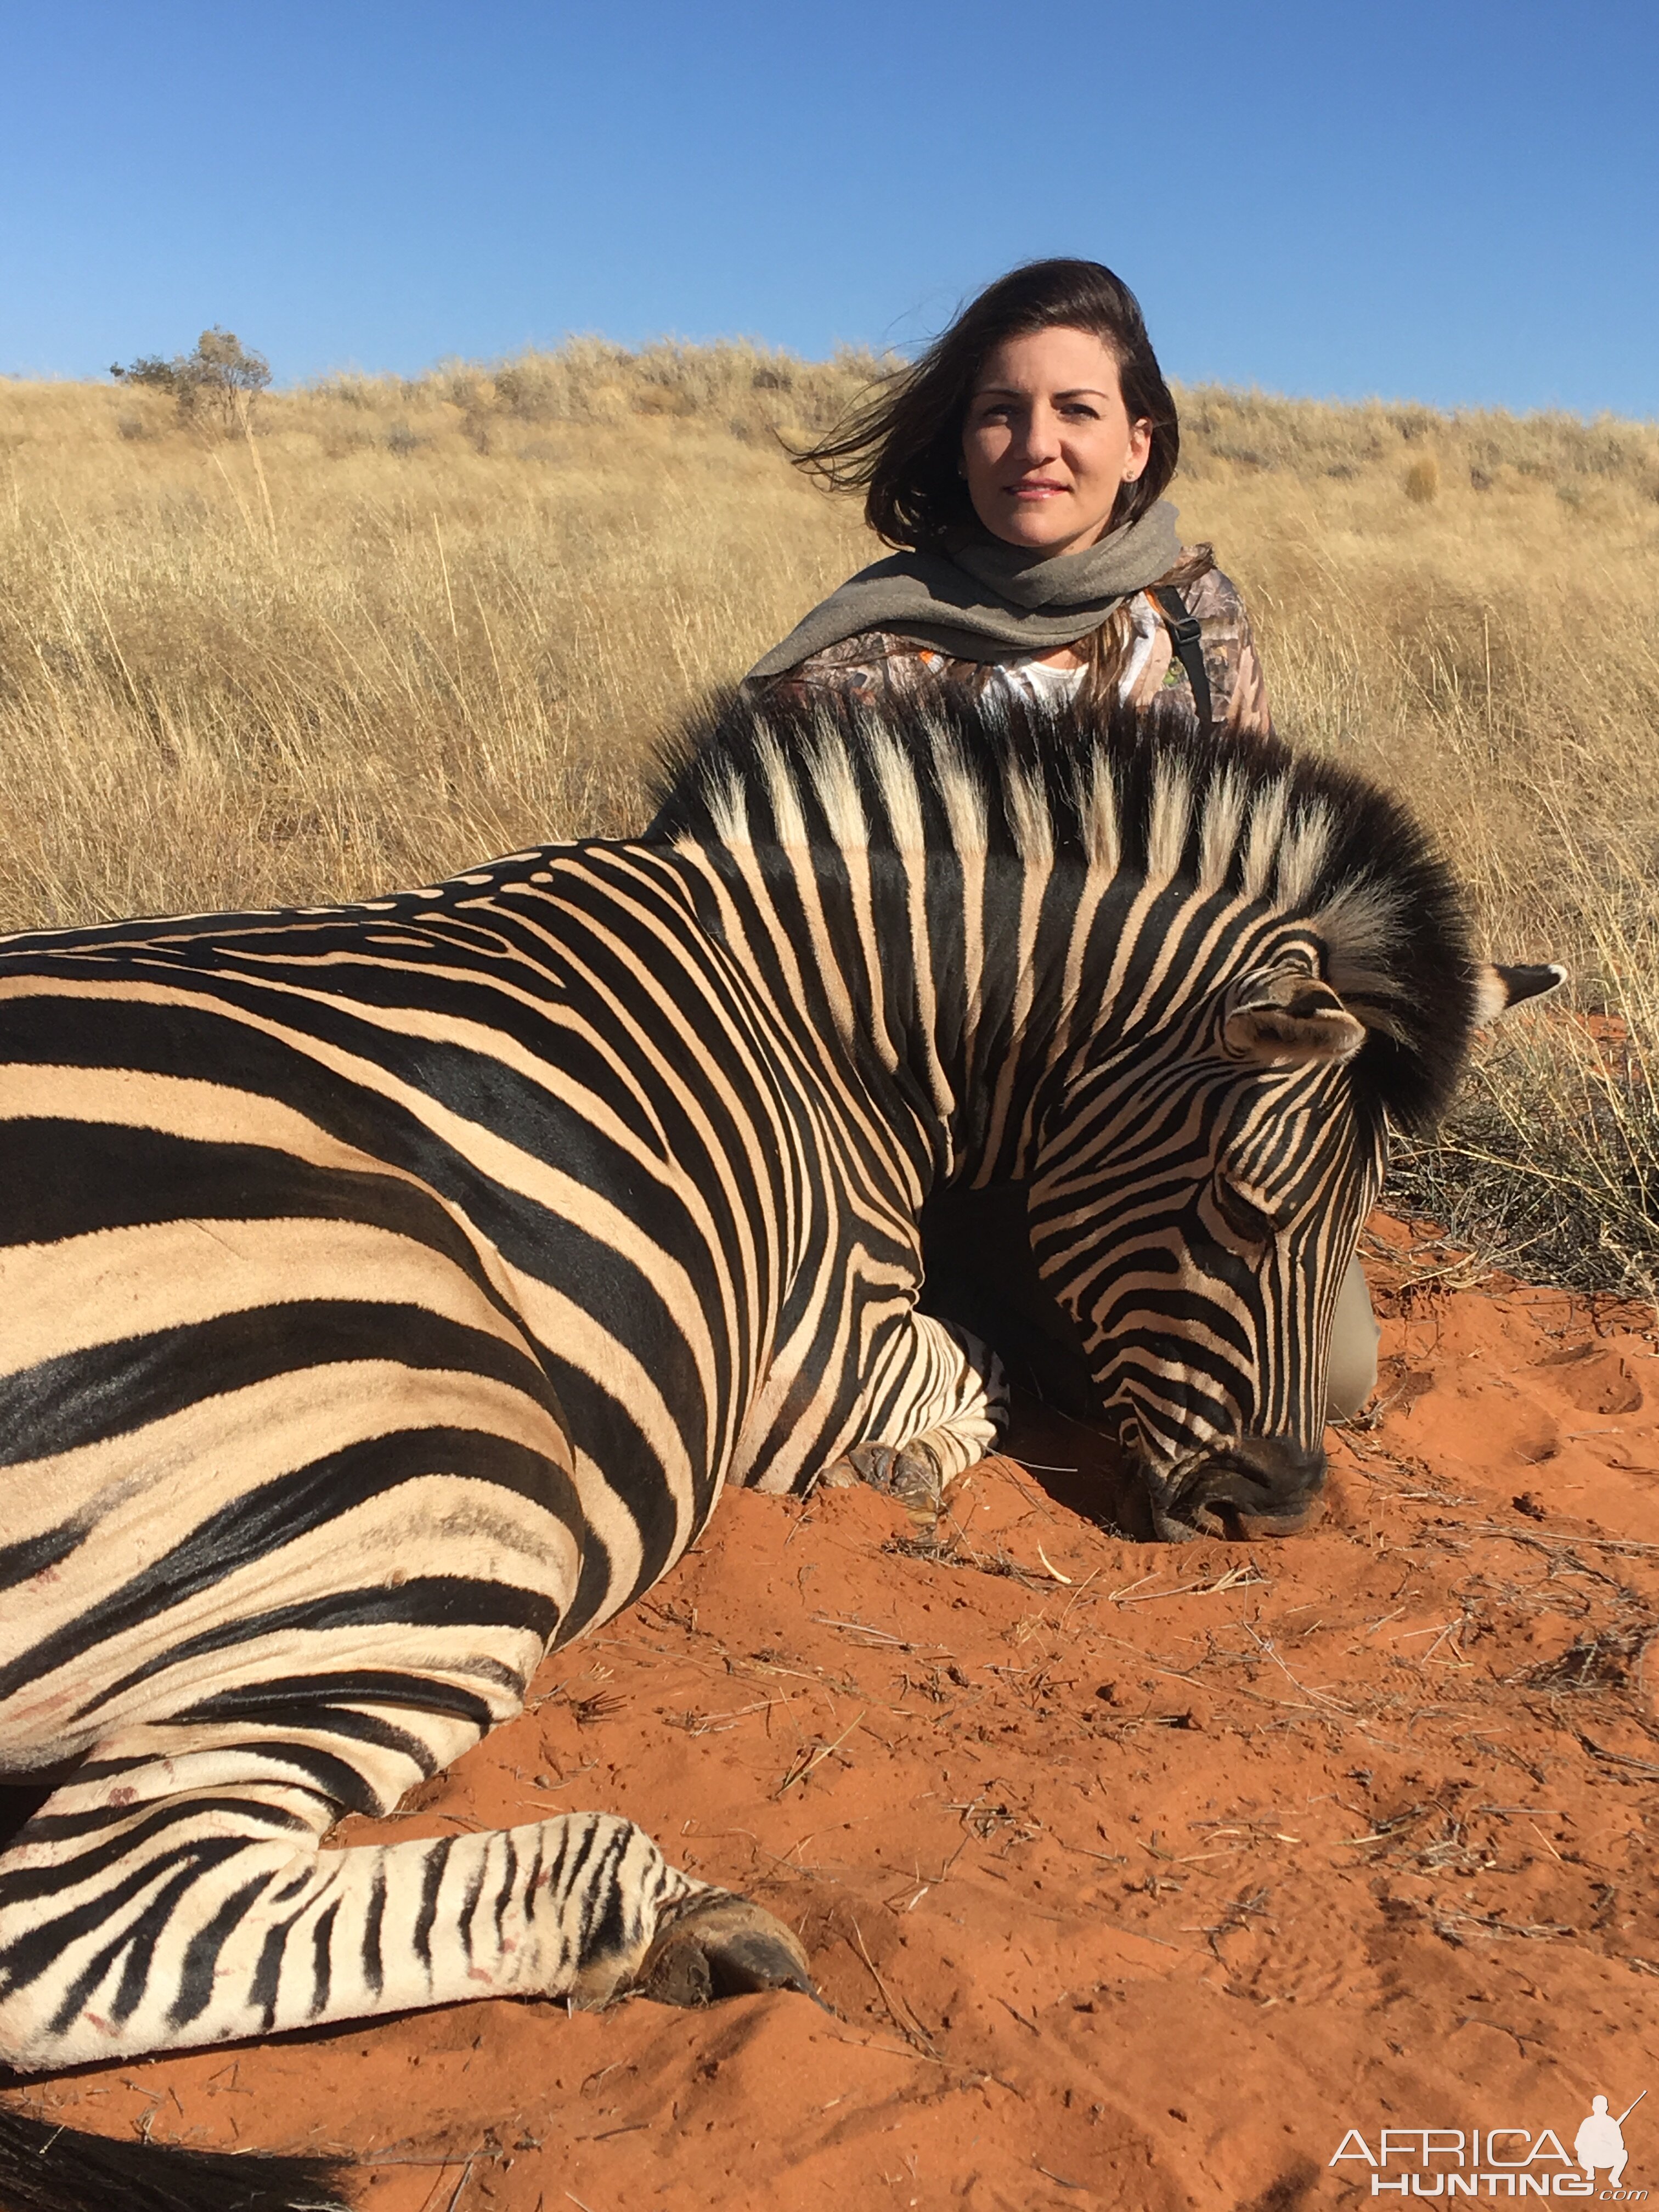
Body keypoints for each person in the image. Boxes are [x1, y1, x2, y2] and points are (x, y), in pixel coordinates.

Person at [746, 258, 1378, 1434]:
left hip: (1152, 1121)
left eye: (1077, 411)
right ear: (961, 438)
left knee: (1330, 1377)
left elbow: (1258, 899)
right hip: (909, 1134)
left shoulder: (1196, 623)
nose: (1037, 444)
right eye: (1001, 411)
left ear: (1140, 443)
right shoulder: (861, 655)